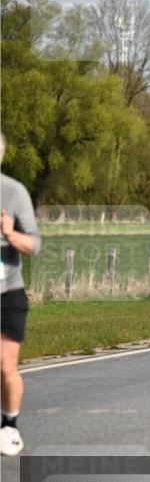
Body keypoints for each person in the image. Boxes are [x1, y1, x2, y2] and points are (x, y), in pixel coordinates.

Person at [1, 133, 42, 456]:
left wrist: (9, 233)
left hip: (7, 292)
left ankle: (9, 426)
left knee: (5, 365)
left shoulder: (14, 192)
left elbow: (34, 245)